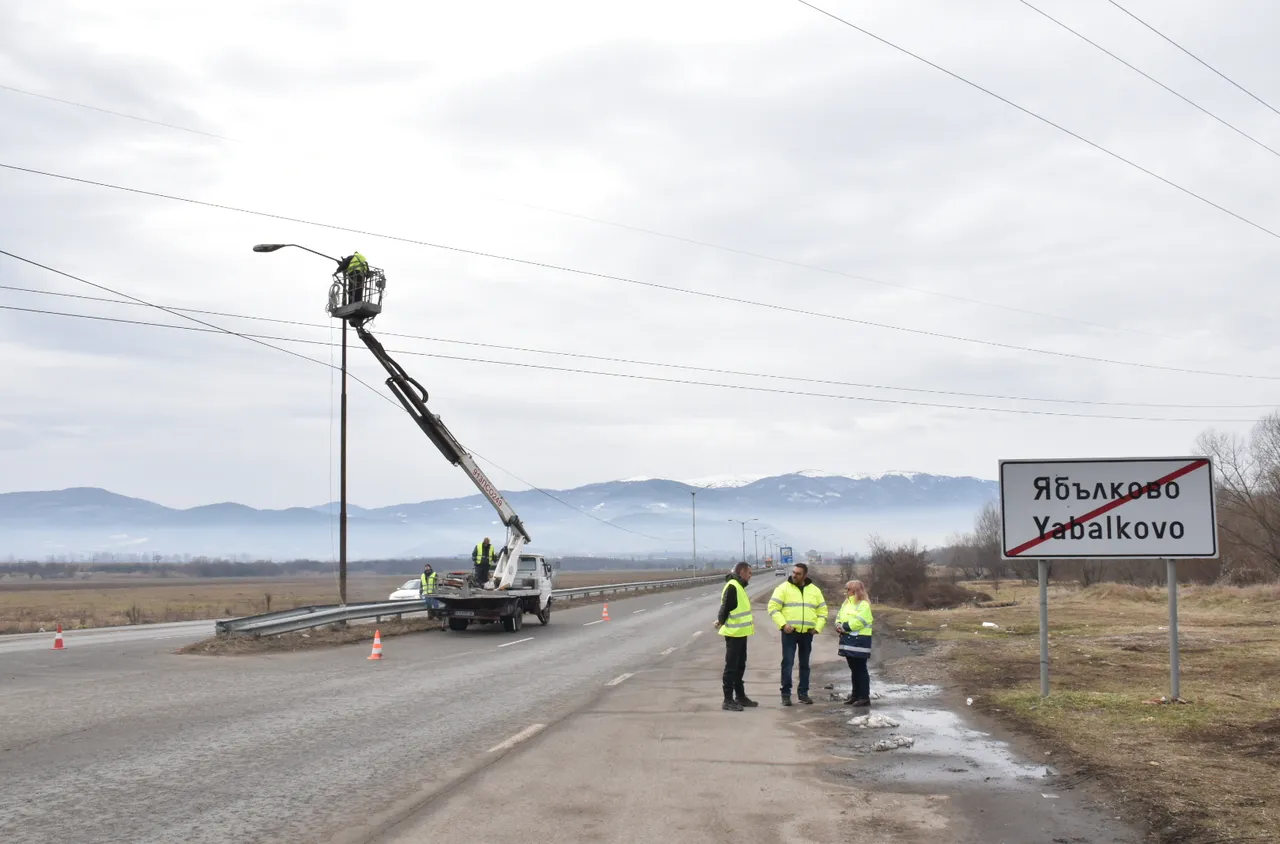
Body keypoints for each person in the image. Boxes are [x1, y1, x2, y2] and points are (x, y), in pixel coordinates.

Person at [767, 561, 828, 706]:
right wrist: (783, 625)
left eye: (798, 574)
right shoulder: (783, 588)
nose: (794, 575)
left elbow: (823, 611)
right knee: (787, 663)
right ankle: (786, 694)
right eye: (793, 572)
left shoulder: (814, 590)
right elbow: (773, 608)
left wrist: (817, 627)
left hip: (807, 633)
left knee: (805, 664)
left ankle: (803, 693)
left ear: (805, 575)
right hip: (790, 632)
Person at [714, 562, 756, 711]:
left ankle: (740, 696)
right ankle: (728, 700)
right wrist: (720, 621)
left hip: (741, 633)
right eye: (749, 573)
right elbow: (725, 607)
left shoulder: (738, 586)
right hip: (733, 633)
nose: (750, 576)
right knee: (731, 667)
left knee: (740, 666)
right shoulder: (733, 586)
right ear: (742, 572)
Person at [835, 580, 874, 706]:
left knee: (860, 669)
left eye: (847, 589)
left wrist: (844, 626)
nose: (845, 591)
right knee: (853, 669)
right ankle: (855, 695)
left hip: (860, 641)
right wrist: (838, 624)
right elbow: (839, 616)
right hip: (848, 639)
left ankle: (864, 697)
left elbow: (860, 621)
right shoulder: (846, 603)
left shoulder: (864, 605)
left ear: (855, 590)